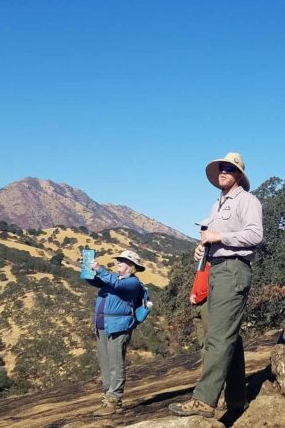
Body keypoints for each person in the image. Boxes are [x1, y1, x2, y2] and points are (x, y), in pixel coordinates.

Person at [169, 152, 263, 418]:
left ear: (239, 175)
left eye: (229, 169)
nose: (223, 171)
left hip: (233, 270)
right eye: (221, 168)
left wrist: (219, 235)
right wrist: (203, 250)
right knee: (228, 334)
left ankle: (204, 400)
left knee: (219, 336)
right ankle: (236, 399)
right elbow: (213, 239)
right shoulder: (217, 204)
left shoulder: (247, 200)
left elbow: (255, 235)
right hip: (217, 269)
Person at [85, 250, 146, 415]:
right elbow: (93, 281)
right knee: (105, 363)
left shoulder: (132, 282)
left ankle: (114, 399)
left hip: (118, 326)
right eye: (118, 259)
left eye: (122, 260)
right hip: (102, 325)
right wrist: (87, 270)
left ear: (132, 266)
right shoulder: (113, 279)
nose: (118, 262)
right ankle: (107, 395)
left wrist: (100, 269)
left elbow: (117, 285)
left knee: (116, 363)